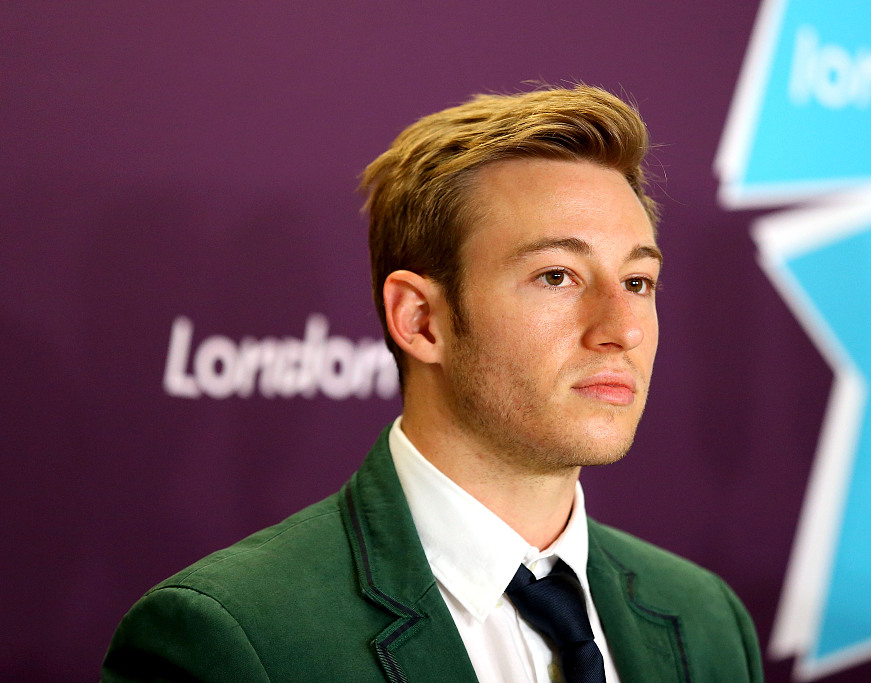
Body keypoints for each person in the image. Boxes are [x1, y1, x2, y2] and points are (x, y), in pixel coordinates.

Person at [103, 85, 763, 683]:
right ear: (420, 319)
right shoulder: (232, 638)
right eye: (557, 276)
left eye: (637, 281)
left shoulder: (707, 621)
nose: (623, 329)